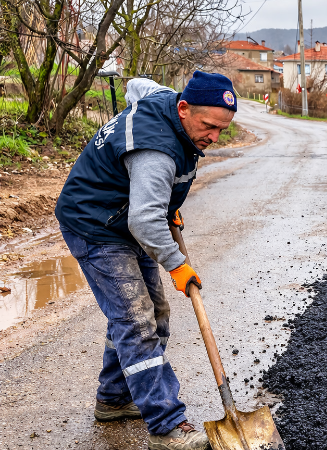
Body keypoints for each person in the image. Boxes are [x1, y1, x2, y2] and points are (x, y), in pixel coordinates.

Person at [55, 71, 237, 450]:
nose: (214, 137)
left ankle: (115, 399)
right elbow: (144, 220)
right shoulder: (156, 149)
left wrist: (164, 205)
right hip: (96, 223)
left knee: (155, 315)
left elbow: (137, 84)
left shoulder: (166, 98)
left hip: (125, 219)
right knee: (137, 321)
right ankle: (167, 425)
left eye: (222, 130)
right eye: (208, 126)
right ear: (183, 109)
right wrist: (176, 263)